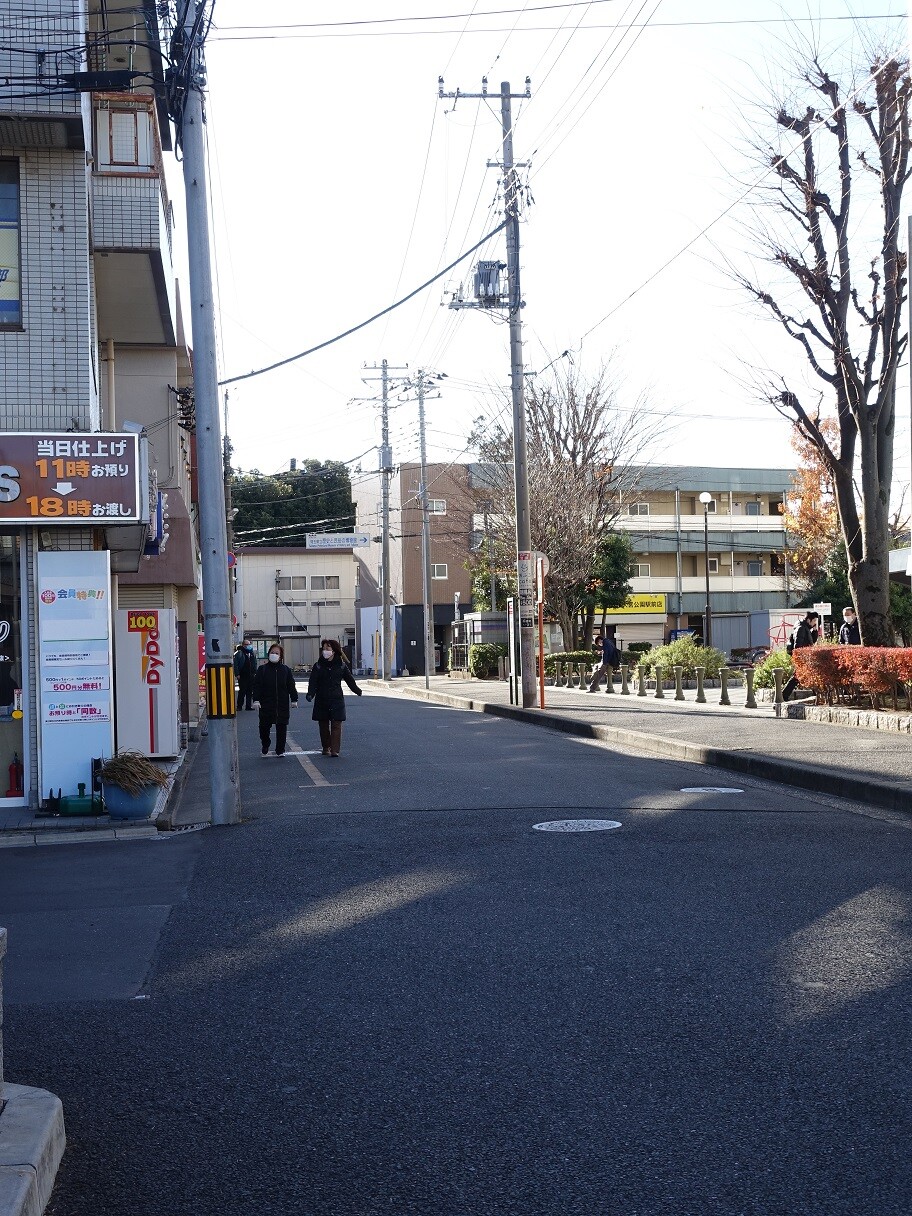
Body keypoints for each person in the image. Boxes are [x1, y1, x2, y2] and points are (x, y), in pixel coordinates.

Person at [306, 637, 362, 757]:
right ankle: (326, 747)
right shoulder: (318, 666)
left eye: (328, 648)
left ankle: (335, 750)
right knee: (323, 724)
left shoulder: (341, 666)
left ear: (334, 651)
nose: (325, 651)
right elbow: (313, 682)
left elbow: (350, 680)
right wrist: (310, 694)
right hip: (322, 698)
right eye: (324, 648)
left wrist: (357, 690)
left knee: (337, 724)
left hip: (337, 699)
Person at [251, 642, 298, 756]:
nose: (274, 655)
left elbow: (291, 685)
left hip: (281, 703)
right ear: (268, 654)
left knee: (282, 726)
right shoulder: (262, 669)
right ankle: (265, 743)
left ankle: (280, 749)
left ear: (281, 656)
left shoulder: (285, 670)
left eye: (277, 653)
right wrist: (256, 700)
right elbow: (257, 686)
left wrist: (294, 699)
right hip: (266, 703)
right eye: (272, 652)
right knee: (264, 727)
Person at [782, 611, 819, 702]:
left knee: (802, 676)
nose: (815, 623)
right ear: (809, 620)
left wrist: (814, 631)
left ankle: (784, 695)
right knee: (799, 676)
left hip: (804, 656)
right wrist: (799, 657)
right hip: (802, 657)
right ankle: (783, 695)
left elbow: (811, 642)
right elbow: (798, 644)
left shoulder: (805, 628)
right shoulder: (801, 628)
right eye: (814, 621)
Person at [233, 639, 257, 710]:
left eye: (249, 644)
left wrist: (255, 672)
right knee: (242, 691)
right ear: (243, 645)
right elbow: (235, 664)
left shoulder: (252, 653)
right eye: (247, 644)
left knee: (250, 691)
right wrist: (237, 674)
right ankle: (239, 706)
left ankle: (248, 706)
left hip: (251, 675)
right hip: (242, 675)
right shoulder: (239, 653)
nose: (248, 646)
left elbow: (254, 663)